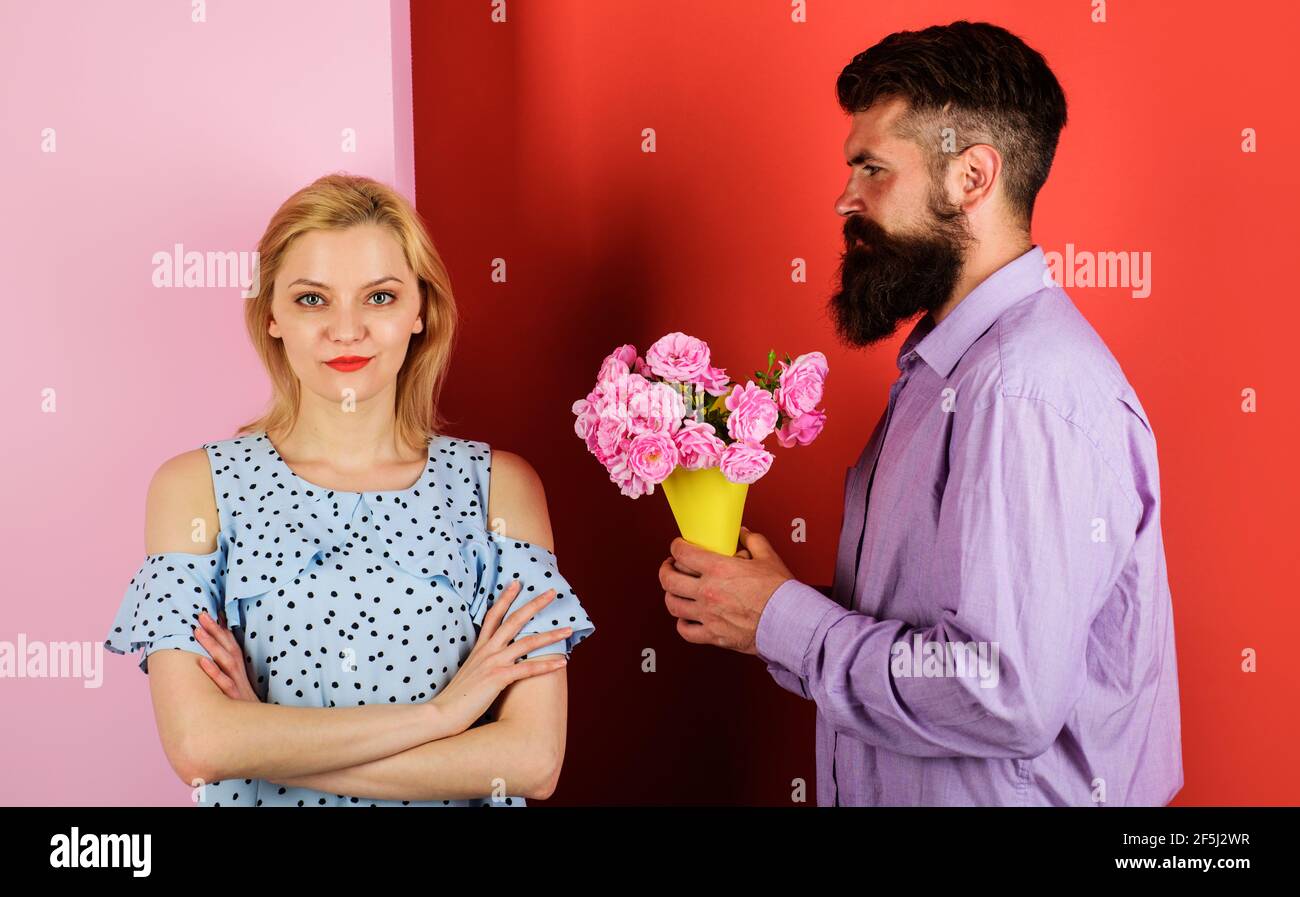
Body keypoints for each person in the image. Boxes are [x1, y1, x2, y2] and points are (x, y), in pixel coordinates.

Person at [658, 20, 1182, 806]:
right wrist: (770, 606)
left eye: (873, 168)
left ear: (972, 177)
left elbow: (1001, 687)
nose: (845, 197)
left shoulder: (1021, 389)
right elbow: (945, 648)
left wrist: (782, 619)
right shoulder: (953, 368)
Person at [105, 173, 595, 806]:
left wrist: (266, 743)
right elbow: (200, 746)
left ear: (421, 311)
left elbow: (530, 760)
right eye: (312, 299)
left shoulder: (500, 489)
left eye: (380, 297)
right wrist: (442, 717)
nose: (347, 329)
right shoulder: (195, 488)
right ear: (271, 315)